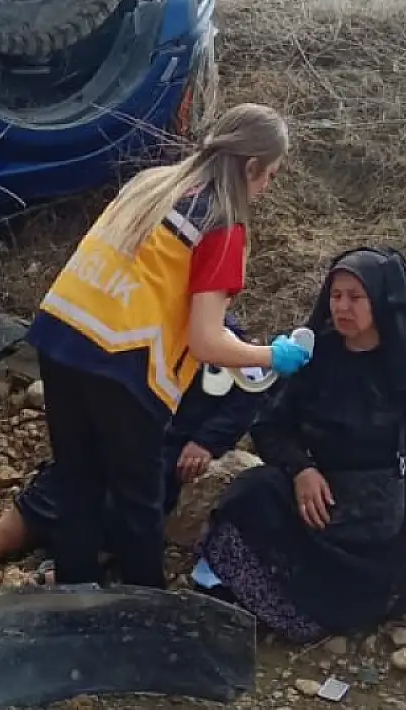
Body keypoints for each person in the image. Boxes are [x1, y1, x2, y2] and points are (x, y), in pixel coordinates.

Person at [27, 102, 308, 589]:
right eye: (270, 176)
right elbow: (206, 340)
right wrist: (271, 357)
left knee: (77, 484)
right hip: (124, 360)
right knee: (139, 500)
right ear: (250, 166)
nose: (265, 190)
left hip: (62, 332)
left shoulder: (152, 183)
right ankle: (145, 618)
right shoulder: (224, 222)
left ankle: (71, 605)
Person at [193, 247, 406, 643]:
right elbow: (270, 423)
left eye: (356, 297)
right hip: (324, 503)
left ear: (383, 299)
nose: (342, 307)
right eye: (336, 296)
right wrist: (301, 469)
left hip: (400, 509)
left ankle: (321, 600)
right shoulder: (315, 354)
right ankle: (273, 597)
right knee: (253, 492)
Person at [0, 317, 266, 582]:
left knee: (138, 491)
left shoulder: (228, 341)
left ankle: (89, 568)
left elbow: (250, 393)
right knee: (69, 473)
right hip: (129, 426)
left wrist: (207, 441)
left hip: (173, 444)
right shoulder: (146, 326)